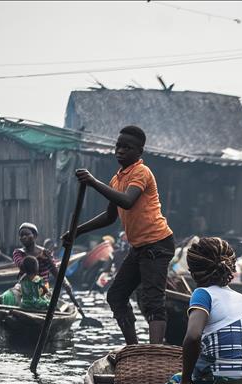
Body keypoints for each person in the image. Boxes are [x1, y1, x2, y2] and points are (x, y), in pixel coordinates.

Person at [127, 237, 242, 384]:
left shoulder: (202, 294)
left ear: (193, 274)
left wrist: (185, 383)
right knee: (176, 379)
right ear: (230, 268)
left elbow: (193, 337)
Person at [63, 125, 175, 345]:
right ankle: (133, 348)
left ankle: (154, 353)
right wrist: (77, 231)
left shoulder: (141, 172)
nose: (120, 150)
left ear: (139, 152)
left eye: (127, 147)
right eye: (118, 146)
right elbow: (109, 216)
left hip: (157, 244)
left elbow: (127, 201)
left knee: (152, 301)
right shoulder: (116, 180)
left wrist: (94, 182)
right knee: (116, 295)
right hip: (139, 247)